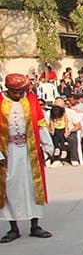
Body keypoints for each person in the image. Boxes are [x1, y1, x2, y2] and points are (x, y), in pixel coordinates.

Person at [1, 74, 52, 243]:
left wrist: (48, 146)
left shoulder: (31, 100)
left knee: (32, 186)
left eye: (21, 91)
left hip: (29, 151)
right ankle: (13, 228)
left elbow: (40, 123)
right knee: (9, 187)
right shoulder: (1, 102)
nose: (18, 95)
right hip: (8, 151)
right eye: (15, 92)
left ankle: (35, 225)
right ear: (8, 89)